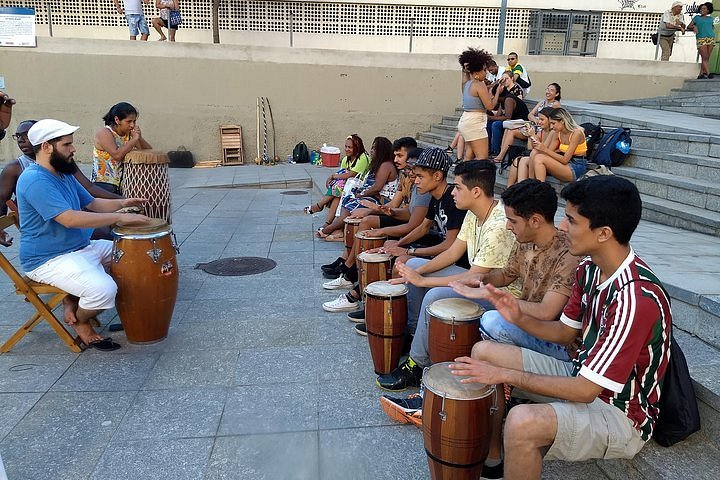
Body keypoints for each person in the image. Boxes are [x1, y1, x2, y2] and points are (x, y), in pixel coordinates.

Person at [449, 176, 672, 480]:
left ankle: (510, 441)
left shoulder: (635, 298)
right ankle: (491, 456)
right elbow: (565, 333)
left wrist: (505, 375)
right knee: (483, 353)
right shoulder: (589, 268)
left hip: (620, 414)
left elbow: (585, 391)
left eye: (571, 220)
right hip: (581, 374)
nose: (562, 228)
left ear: (603, 233)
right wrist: (517, 315)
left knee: (522, 421)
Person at [376, 160, 518, 391]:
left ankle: (416, 364)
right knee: (412, 263)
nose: (453, 192)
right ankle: (415, 337)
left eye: (458, 187)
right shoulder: (474, 213)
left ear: (476, 191)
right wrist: (413, 273)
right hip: (477, 280)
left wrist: (423, 280)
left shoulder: (498, 224)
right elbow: (453, 252)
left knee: (435, 295)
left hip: (499, 295)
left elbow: (475, 277)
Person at [16, 119, 153, 351]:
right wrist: (119, 217)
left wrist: (123, 203)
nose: (73, 149)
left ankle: (72, 300)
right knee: (104, 291)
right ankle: (80, 320)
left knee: (140, 255)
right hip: (49, 260)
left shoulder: (63, 173)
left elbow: (93, 204)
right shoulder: (34, 180)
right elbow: (69, 219)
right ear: (47, 146)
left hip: (80, 248)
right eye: (67, 145)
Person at [321, 148, 462, 313]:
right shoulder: (436, 196)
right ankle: (365, 295)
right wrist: (397, 244)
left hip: (456, 258)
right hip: (440, 242)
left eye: (420, 176)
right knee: (389, 245)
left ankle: (383, 309)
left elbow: (450, 246)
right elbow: (423, 228)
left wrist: (409, 250)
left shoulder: (452, 199)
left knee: (400, 259)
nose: (415, 181)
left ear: (437, 176)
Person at [1, 120, 125, 246]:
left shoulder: (62, 163)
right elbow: (1, 200)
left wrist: (124, 202)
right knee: (109, 233)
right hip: (52, 233)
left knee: (120, 243)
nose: (21, 140)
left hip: (70, 222)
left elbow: (90, 192)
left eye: (25, 135)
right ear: (45, 145)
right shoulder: (25, 173)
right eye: (18, 136)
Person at [321, 138, 423, 281]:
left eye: (399, 156)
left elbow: (412, 221)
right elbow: (395, 205)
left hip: (407, 222)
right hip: (399, 214)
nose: (395, 159)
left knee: (366, 221)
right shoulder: (405, 176)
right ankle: (347, 262)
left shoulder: (419, 184)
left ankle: (349, 266)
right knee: (356, 210)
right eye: (395, 155)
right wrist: (377, 209)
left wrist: (374, 213)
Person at [317, 137, 397, 239]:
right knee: (347, 199)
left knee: (353, 202)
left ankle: (329, 228)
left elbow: (377, 187)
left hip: (381, 200)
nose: (371, 151)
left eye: (374, 149)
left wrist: (362, 194)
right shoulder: (378, 165)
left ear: (382, 151)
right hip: (371, 195)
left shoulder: (385, 165)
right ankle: (337, 229)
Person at [304, 134, 370, 226]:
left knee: (338, 189)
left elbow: (352, 174)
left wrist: (333, 176)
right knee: (337, 192)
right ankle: (327, 222)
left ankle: (320, 206)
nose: (347, 149)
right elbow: (341, 174)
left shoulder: (363, 158)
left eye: (350, 147)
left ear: (357, 148)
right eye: (346, 146)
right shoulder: (346, 159)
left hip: (360, 186)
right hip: (346, 186)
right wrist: (333, 178)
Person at [92, 102, 152, 195]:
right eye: (128, 121)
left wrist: (139, 137)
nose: (132, 125)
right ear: (117, 120)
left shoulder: (128, 134)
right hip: (104, 185)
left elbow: (147, 152)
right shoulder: (105, 132)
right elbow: (117, 155)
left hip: (123, 184)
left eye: (134, 121)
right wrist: (135, 139)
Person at [457, 48, 504, 162]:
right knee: (482, 158)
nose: (486, 72)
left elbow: (464, 74)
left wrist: (464, 69)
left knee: (468, 156)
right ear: (477, 72)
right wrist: (497, 92)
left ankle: (463, 178)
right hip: (475, 123)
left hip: (466, 121)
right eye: (484, 70)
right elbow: (490, 106)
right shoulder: (479, 84)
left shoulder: (467, 83)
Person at [530, 107, 587, 183]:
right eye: (550, 124)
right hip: (564, 164)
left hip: (576, 166)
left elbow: (565, 160)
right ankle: (530, 184)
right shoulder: (558, 132)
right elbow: (549, 153)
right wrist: (534, 139)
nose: (551, 127)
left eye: (553, 123)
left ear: (562, 121)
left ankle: (540, 189)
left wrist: (544, 149)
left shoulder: (577, 133)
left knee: (539, 158)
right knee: (533, 155)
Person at [507, 107, 557, 187]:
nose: (539, 122)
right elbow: (530, 148)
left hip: (548, 160)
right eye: (539, 119)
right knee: (518, 160)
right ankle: (513, 188)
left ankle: (524, 187)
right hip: (537, 156)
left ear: (550, 120)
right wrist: (530, 136)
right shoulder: (541, 132)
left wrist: (533, 136)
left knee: (521, 160)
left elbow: (543, 149)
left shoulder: (553, 132)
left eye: (542, 119)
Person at [487, 72, 529, 158]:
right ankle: (487, 149)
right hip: (511, 122)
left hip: (520, 122)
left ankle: (495, 151)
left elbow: (507, 117)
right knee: (489, 123)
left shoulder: (509, 99)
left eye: (495, 97)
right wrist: (490, 117)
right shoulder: (503, 101)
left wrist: (491, 117)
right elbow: (499, 115)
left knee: (496, 124)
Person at [688, 2, 716, 79]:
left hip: (710, 38)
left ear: (708, 10)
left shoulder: (711, 18)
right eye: (701, 8)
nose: (702, 10)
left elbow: (712, 27)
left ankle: (701, 74)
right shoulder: (697, 18)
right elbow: (689, 26)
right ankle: (708, 73)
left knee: (706, 58)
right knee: (705, 56)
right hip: (701, 38)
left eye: (704, 9)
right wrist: (694, 26)